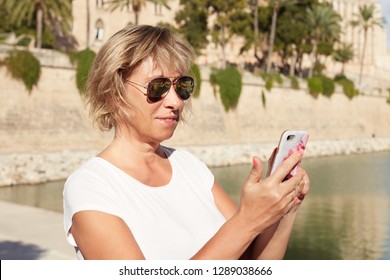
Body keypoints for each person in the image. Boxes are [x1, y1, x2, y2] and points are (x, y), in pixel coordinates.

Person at [63, 25, 310, 260]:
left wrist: (284, 208)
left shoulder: (190, 167)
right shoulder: (90, 187)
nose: (176, 102)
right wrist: (247, 221)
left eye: (182, 86)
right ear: (114, 93)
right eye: (158, 87)